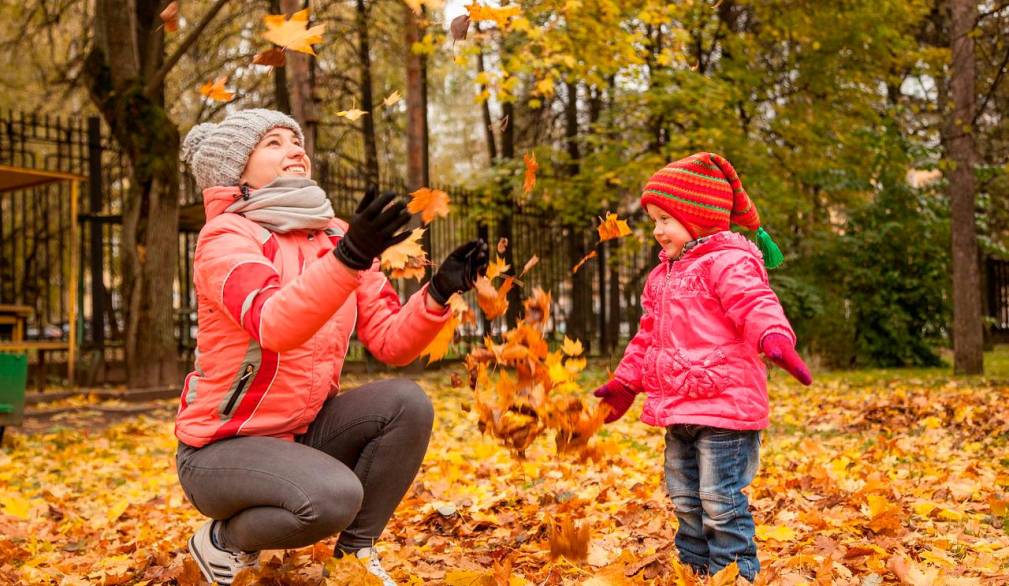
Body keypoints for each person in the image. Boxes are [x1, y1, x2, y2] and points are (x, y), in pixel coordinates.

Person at [174, 109, 489, 586]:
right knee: (332, 498)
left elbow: (389, 341)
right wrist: (348, 259)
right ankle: (224, 540)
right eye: (273, 143)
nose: (294, 150)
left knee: (406, 403)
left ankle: (353, 557)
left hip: (302, 435)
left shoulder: (334, 235)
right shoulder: (225, 238)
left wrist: (439, 292)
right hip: (222, 450)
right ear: (235, 171)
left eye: (296, 141)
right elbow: (274, 323)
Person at [592, 152, 812, 582]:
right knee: (684, 498)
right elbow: (647, 336)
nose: (656, 230)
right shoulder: (663, 276)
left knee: (719, 499)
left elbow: (755, 304)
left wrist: (775, 339)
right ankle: (693, 570)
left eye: (664, 219)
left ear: (698, 216)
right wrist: (626, 382)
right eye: (654, 220)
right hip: (679, 408)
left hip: (726, 410)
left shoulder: (729, 261)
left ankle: (734, 573)